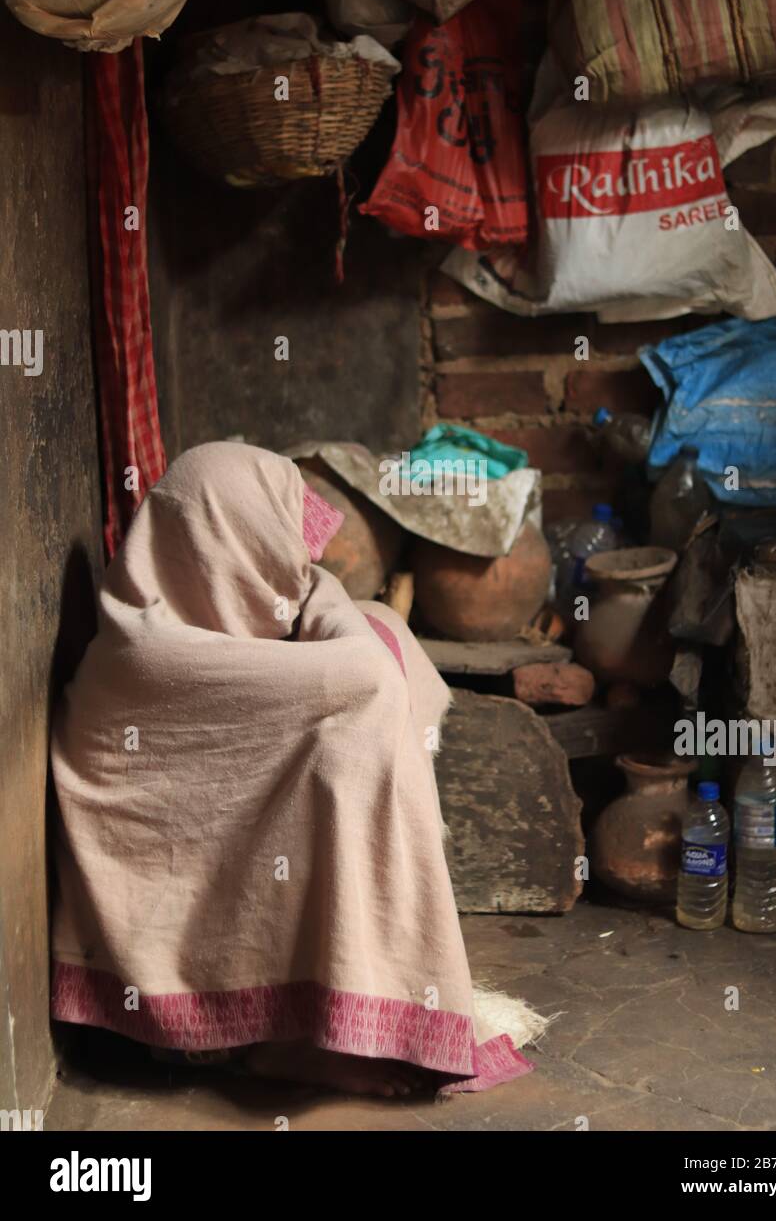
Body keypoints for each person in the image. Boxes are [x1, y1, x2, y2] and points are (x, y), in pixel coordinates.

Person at [50, 442, 532, 1096]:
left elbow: (324, 594)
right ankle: (281, 1037)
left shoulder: (174, 594)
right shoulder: (148, 651)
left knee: (373, 643)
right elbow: (362, 674)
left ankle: (307, 1025)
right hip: (169, 973)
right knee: (355, 721)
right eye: (275, 543)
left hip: (216, 873)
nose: (296, 568)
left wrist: (333, 611)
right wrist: (343, 625)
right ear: (225, 542)